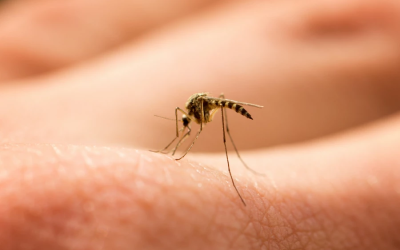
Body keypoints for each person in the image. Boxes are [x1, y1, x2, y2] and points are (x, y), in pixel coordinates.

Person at [0, 0, 399, 249]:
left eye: (190, 122)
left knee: (221, 120)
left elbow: (207, 109)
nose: (189, 122)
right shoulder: (189, 110)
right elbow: (188, 114)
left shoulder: (203, 109)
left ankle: (230, 159)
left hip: (217, 101)